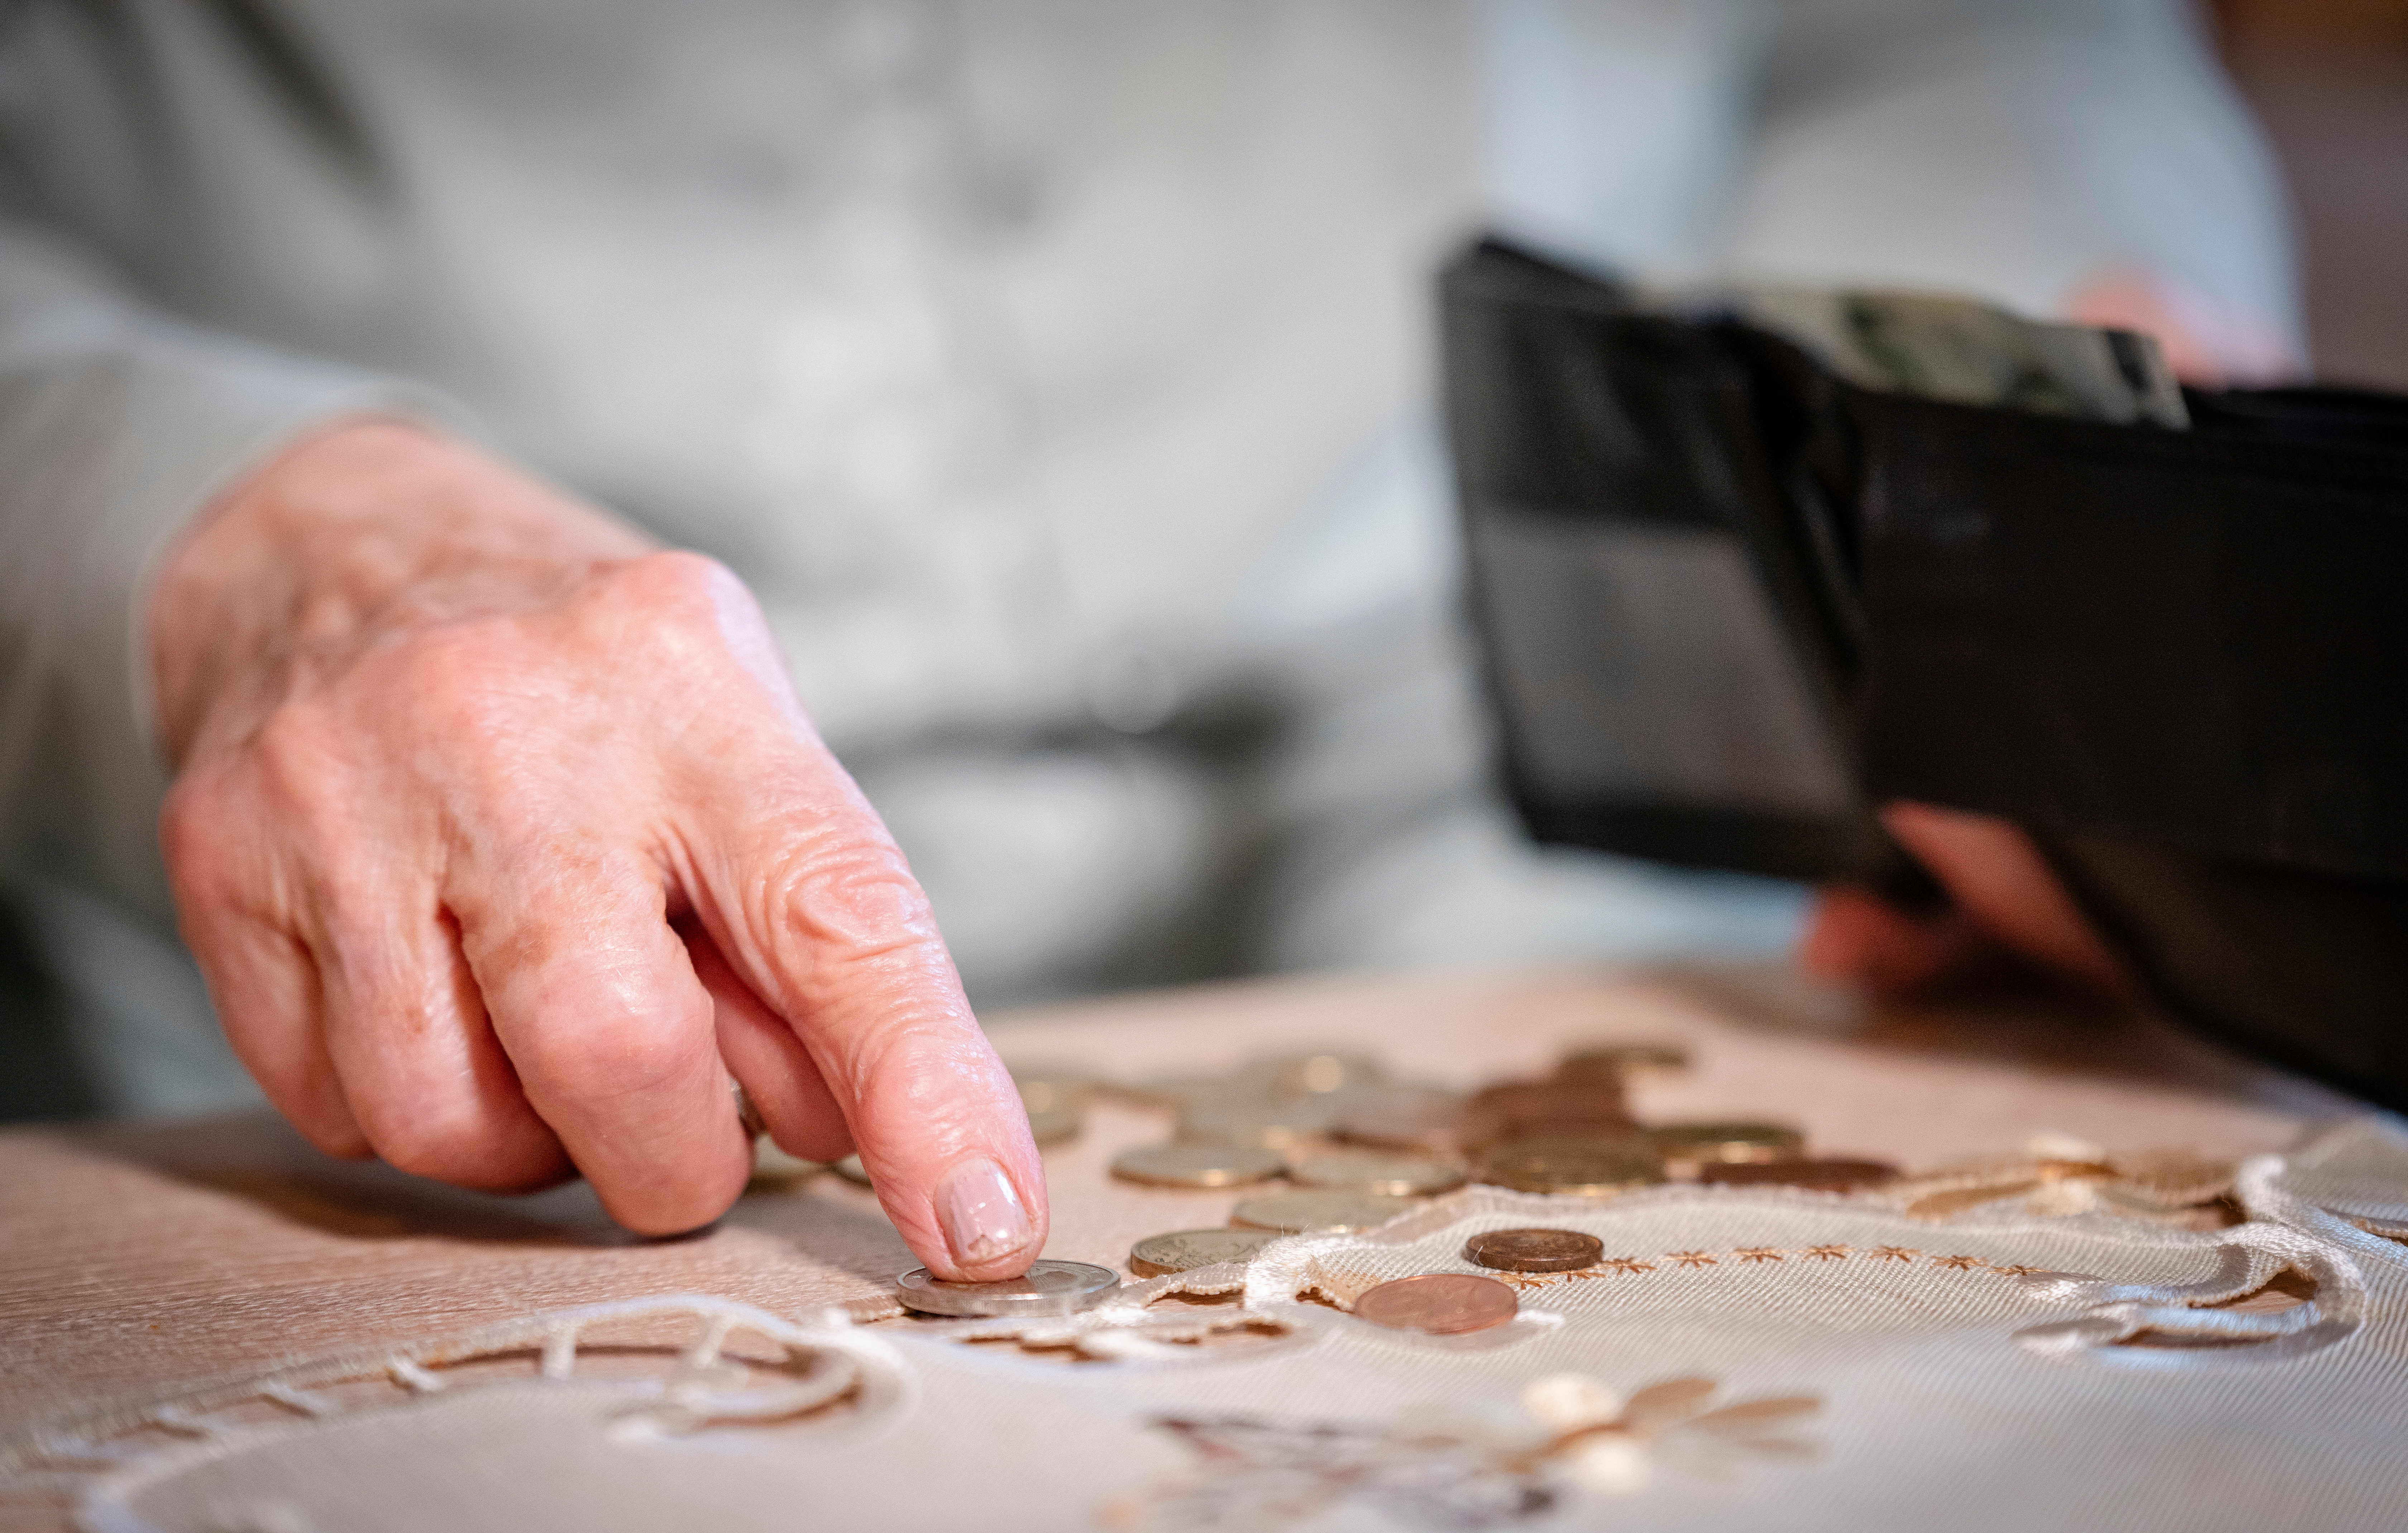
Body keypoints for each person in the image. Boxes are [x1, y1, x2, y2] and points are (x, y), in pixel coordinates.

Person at [0, 0, 2299, 1277]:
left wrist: (2011, 418)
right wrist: (257, 553)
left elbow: (1964, 44)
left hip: (1581, 809)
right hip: (419, 981)